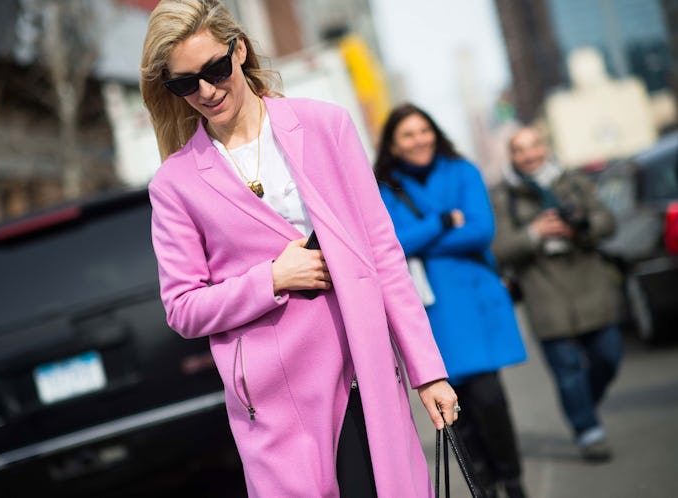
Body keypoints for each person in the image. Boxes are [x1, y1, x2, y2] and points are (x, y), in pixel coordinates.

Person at [139, 2, 458, 496]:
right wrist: (271, 278)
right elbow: (182, 307)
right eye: (185, 83)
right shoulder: (175, 183)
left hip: (363, 368)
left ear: (239, 49)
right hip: (273, 398)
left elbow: (383, 253)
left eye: (216, 70)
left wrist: (428, 371)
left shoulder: (325, 126)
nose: (206, 91)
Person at [375, 103, 528, 498]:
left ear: (435, 132)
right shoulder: (383, 188)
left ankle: (512, 480)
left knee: (490, 401)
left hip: (474, 302)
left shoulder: (463, 171)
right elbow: (389, 245)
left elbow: (481, 231)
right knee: (454, 411)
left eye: (423, 130)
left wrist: (419, 240)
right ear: (392, 144)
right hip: (429, 312)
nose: (418, 140)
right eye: (407, 134)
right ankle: (484, 488)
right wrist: (441, 222)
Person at [489, 126, 622, 462]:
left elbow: (608, 221)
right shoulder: (503, 197)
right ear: (512, 156)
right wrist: (534, 233)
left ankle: (582, 404)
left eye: (534, 146)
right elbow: (498, 248)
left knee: (609, 356)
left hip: (589, 283)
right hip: (544, 291)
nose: (529, 155)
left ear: (544, 147)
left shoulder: (572, 180)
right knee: (567, 372)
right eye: (520, 150)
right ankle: (588, 432)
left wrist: (579, 226)